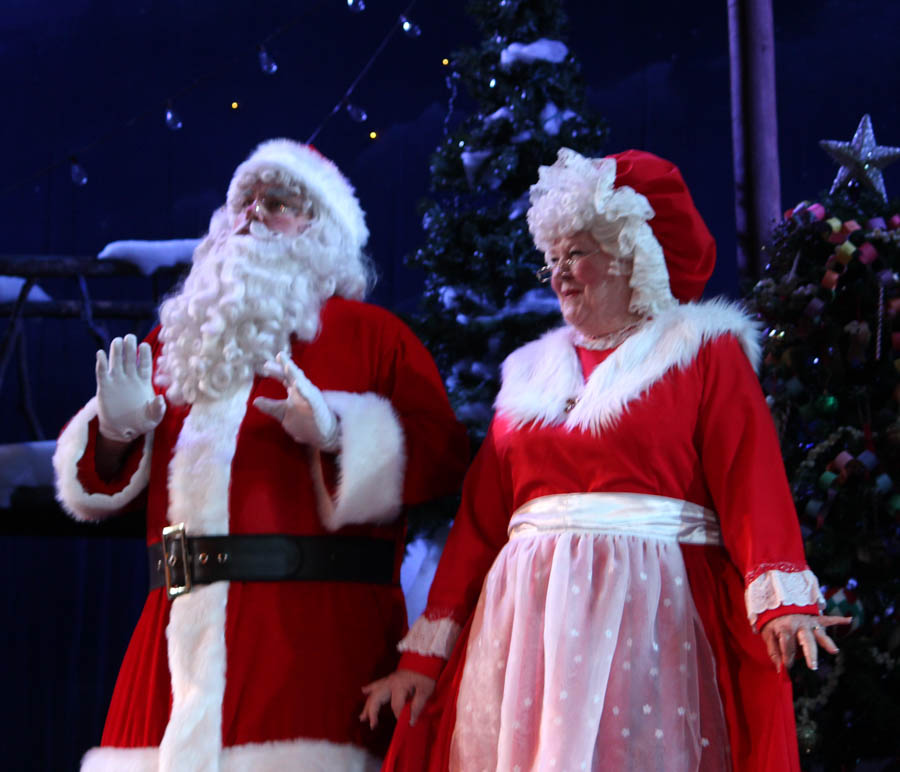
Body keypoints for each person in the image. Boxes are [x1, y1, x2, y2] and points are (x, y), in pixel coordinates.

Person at [361, 148, 850, 771]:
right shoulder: (528, 374)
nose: (560, 272)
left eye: (578, 254)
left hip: (650, 610)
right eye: (553, 258)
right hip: (526, 626)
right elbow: (481, 524)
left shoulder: (700, 350)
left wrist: (783, 600)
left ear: (631, 255)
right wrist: (423, 658)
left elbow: (750, 478)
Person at [52, 138, 469, 771]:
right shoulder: (181, 339)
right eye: (243, 199)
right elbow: (102, 478)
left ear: (320, 231)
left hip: (311, 639)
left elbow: (444, 459)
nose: (251, 213)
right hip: (174, 642)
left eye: (276, 202)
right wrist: (114, 431)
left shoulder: (374, 336)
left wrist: (336, 434)